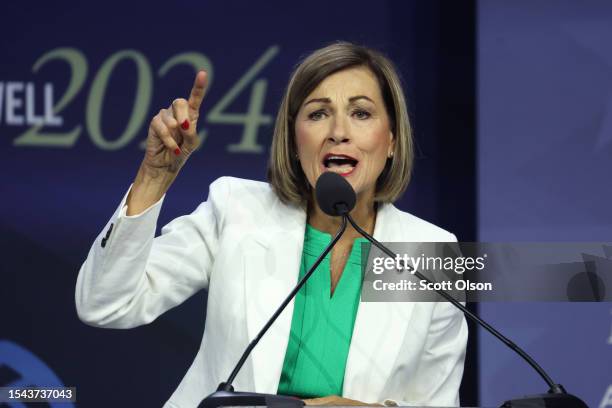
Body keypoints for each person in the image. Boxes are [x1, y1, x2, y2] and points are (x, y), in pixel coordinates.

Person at [75, 42, 467, 407]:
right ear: (296, 143)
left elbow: (436, 401)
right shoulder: (235, 209)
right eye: (318, 114)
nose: (338, 132)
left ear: (393, 140)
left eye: (361, 113)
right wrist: (154, 176)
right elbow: (106, 304)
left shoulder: (432, 252)